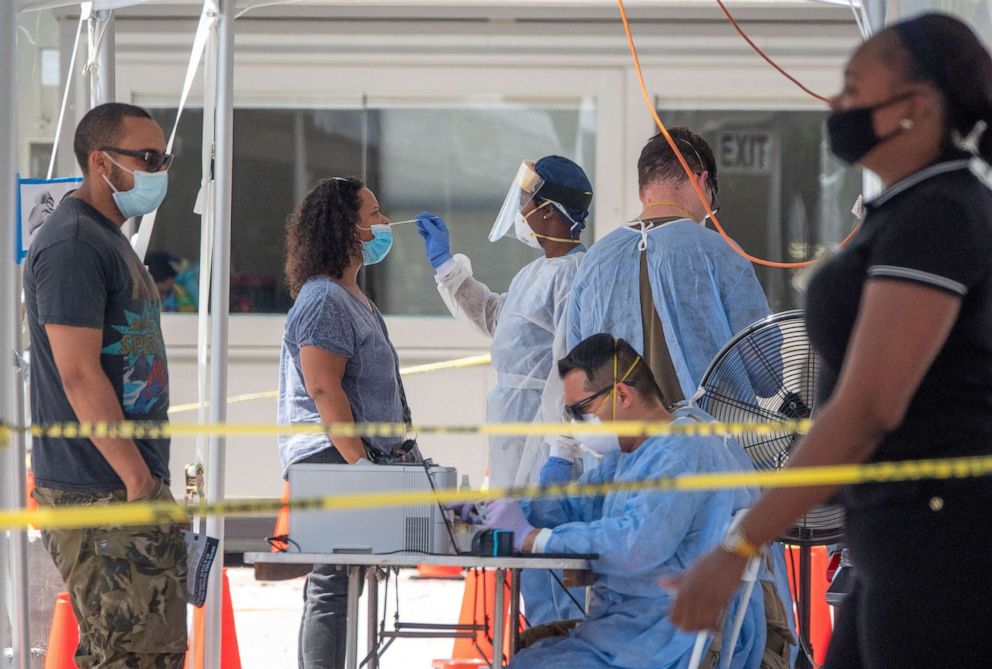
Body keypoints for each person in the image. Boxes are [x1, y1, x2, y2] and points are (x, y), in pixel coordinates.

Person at [668, 13, 992, 668]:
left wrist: (741, 543)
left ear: (917, 108)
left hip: (944, 545)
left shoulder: (938, 216)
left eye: (852, 87)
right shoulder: (906, 210)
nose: (837, 104)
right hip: (892, 539)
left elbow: (869, 405)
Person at [476, 334, 780, 669]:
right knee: (527, 655)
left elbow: (636, 544)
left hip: (672, 637)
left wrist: (538, 538)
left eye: (581, 411)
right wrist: (497, 511)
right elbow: (576, 503)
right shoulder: (632, 455)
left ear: (621, 394)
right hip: (630, 630)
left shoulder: (684, 450)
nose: (577, 425)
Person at [23, 102, 186, 668]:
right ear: (100, 162)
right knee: (133, 654)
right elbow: (78, 373)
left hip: (119, 486)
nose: (159, 169)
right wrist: (138, 482)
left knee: (144, 651)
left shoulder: (107, 236)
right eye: (147, 158)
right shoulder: (72, 244)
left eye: (163, 158)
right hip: (100, 488)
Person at [415, 155, 592, 623]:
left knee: (548, 582)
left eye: (528, 202)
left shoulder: (573, 277)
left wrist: (562, 450)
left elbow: (569, 371)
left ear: (550, 212)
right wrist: (448, 269)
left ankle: (555, 653)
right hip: (518, 443)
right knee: (525, 570)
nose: (522, 211)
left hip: (544, 450)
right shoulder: (535, 273)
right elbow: (498, 319)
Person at [279, 176, 419, 669]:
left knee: (346, 582)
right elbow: (324, 388)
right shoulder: (323, 300)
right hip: (333, 460)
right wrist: (359, 462)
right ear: (348, 228)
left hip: (356, 459)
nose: (385, 224)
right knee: (333, 584)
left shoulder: (352, 297)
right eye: (376, 214)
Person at [567, 128, 772, 405]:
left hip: (622, 444)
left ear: (642, 192)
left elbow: (578, 370)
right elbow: (766, 375)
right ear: (702, 181)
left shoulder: (595, 260)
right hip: (707, 443)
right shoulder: (720, 253)